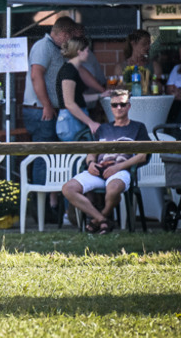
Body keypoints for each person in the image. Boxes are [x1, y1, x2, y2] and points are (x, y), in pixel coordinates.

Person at [61, 89, 150, 234]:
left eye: (122, 104)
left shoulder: (138, 127)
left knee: (114, 189)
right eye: (115, 105)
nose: (118, 108)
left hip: (121, 170)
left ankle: (96, 221)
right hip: (99, 171)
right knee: (68, 188)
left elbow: (143, 156)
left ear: (129, 106)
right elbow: (92, 153)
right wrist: (91, 164)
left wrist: (118, 167)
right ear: (111, 107)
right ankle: (103, 220)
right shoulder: (103, 128)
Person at [21, 16, 79, 145]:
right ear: (64, 34)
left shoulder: (55, 48)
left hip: (45, 109)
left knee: (51, 151)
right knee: (45, 151)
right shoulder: (43, 47)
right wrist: (46, 105)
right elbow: (36, 75)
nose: (72, 41)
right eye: (71, 37)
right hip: (40, 110)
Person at [55, 35, 104, 141]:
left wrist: (101, 95)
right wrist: (90, 122)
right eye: (86, 50)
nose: (88, 53)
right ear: (79, 52)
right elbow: (69, 103)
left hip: (73, 119)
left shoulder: (73, 70)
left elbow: (79, 98)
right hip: (70, 121)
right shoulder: (68, 71)